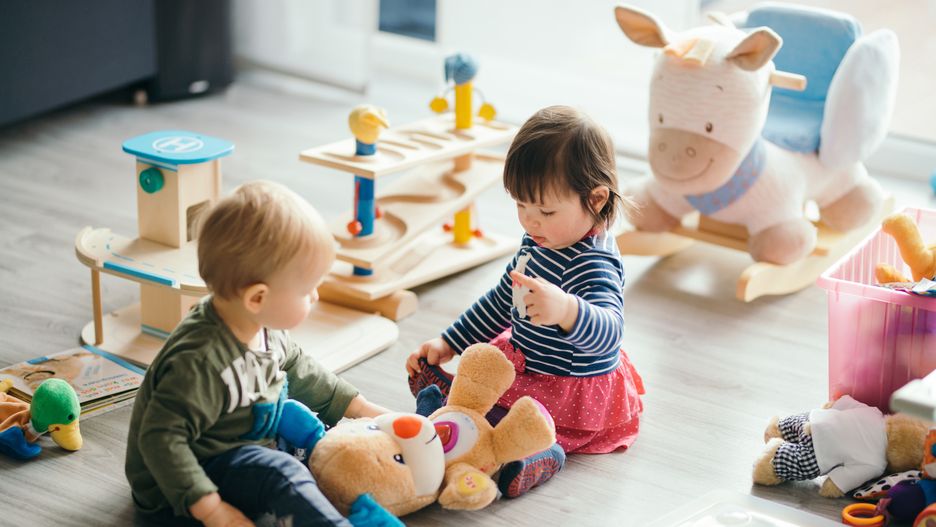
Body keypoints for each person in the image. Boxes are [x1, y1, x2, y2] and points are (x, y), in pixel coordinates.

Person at [125, 181, 399, 527]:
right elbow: (161, 440)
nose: (315, 296)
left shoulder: (260, 324)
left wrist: (363, 409)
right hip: (179, 491)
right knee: (283, 473)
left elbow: (298, 367)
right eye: (307, 290)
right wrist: (213, 510)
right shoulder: (198, 363)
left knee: (316, 436)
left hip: (240, 443)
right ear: (257, 298)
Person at [407, 105, 645, 498]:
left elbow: (610, 334)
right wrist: (450, 341)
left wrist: (567, 310)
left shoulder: (593, 262)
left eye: (545, 210)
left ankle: (538, 456)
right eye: (520, 205)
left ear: (596, 199)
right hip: (528, 361)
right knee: (485, 377)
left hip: (568, 387)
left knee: (528, 424)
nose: (530, 221)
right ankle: (452, 408)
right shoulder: (539, 240)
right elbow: (503, 299)